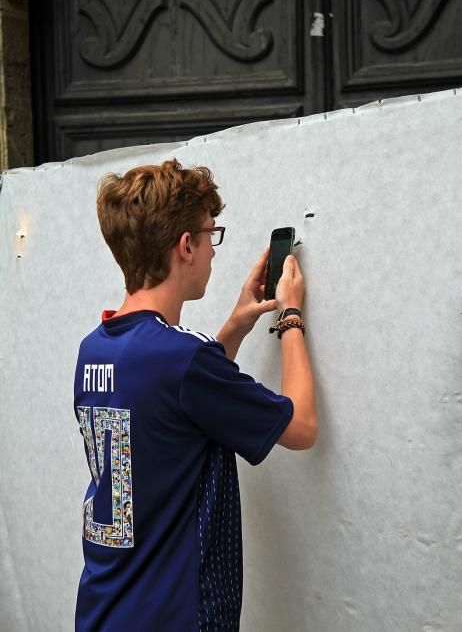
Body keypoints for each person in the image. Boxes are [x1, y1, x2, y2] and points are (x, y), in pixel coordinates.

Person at [74, 158, 317, 631]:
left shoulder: (95, 348)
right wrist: (290, 317)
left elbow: (173, 403)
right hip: (177, 618)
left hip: (106, 610)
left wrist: (236, 324)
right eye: (212, 234)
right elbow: (302, 428)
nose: (212, 249)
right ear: (186, 245)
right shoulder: (184, 360)